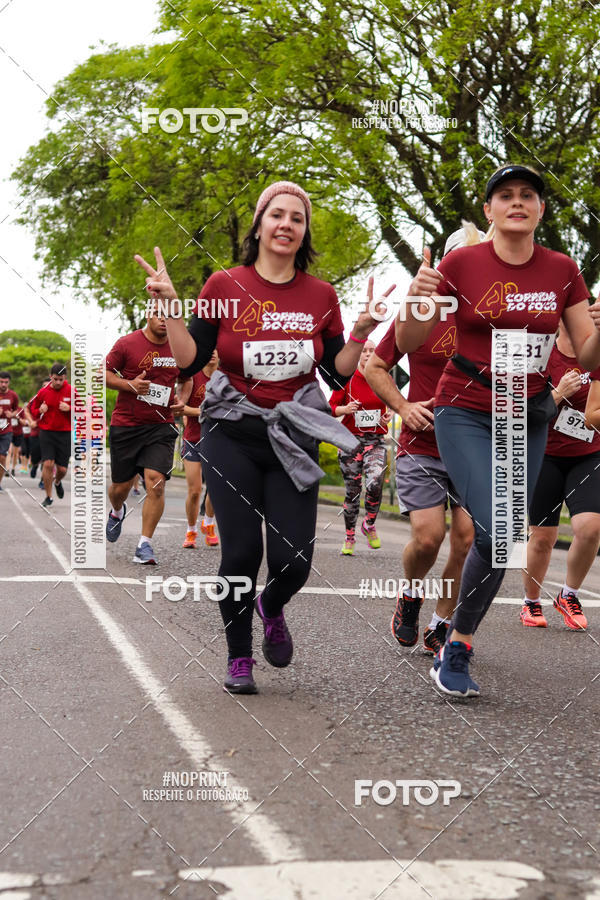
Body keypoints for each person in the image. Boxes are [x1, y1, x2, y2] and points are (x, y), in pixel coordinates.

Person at [135, 181, 392, 694]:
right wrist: (168, 308)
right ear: (259, 224)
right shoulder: (223, 285)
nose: (286, 224)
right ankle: (238, 657)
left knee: (294, 559)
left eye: (297, 218)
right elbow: (189, 358)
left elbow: (338, 373)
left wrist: (361, 329)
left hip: (294, 435)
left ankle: (270, 605)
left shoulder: (320, 295)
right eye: (277, 214)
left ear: (304, 232)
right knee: (238, 556)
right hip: (231, 432)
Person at [396, 163, 600, 697]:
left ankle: (457, 642)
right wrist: (417, 298)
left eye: (527, 195)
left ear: (540, 209)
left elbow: (584, 350)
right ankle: (451, 637)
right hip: (463, 407)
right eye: (504, 195)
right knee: (498, 525)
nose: (516, 202)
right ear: (488, 211)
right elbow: (412, 338)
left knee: (504, 536)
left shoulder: (563, 269)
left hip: (528, 412)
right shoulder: (461, 262)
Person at [366, 229, 476, 656]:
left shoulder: (492, 320)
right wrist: (403, 407)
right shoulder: (421, 311)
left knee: (466, 539)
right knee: (429, 538)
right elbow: (377, 366)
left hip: (475, 445)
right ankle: (411, 594)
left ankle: (441, 623)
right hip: (424, 443)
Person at [521, 322, 600, 630]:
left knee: (591, 527)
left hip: (589, 454)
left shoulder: (595, 355)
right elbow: (519, 410)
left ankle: (569, 594)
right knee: (542, 538)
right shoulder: (541, 355)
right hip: (545, 454)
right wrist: (557, 394)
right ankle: (530, 601)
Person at [104, 311, 191, 564]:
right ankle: (117, 511)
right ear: (147, 315)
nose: (164, 320)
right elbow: (103, 375)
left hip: (160, 425)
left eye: (170, 315)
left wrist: (183, 400)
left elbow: (187, 379)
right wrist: (130, 384)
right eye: (158, 314)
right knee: (119, 488)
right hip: (127, 425)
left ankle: (144, 545)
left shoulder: (180, 346)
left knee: (156, 482)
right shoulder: (126, 344)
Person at [329, 340, 391, 554]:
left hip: (375, 441)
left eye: (372, 351)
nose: (367, 354)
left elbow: (389, 407)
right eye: (364, 351)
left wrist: (387, 417)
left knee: (375, 482)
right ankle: (349, 537)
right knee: (353, 492)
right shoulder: (346, 380)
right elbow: (330, 408)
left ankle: (370, 524)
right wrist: (345, 409)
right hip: (350, 442)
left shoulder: (383, 378)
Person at [181, 351, 220, 549]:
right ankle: (191, 529)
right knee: (195, 490)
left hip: (218, 441)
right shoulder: (192, 376)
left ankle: (209, 523)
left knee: (215, 488)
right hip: (193, 439)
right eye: (209, 348)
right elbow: (179, 407)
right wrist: (203, 412)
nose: (212, 352)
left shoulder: (226, 376)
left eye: (216, 348)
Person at [29, 364, 72, 508]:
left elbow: (82, 410)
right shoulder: (43, 392)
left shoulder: (72, 391)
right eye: (55, 379)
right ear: (51, 376)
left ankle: (58, 482)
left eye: (61, 379)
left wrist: (70, 408)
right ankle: (48, 496)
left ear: (65, 378)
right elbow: (32, 410)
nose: (58, 382)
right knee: (48, 464)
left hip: (65, 433)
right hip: (47, 432)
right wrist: (40, 410)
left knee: (62, 470)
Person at [0, 372, 19, 492]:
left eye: (6, 382)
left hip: (6, 430)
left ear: (9, 382)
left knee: (2, 457)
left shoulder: (13, 395)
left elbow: (17, 410)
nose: (3, 384)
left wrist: (12, 414)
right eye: (1, 382)